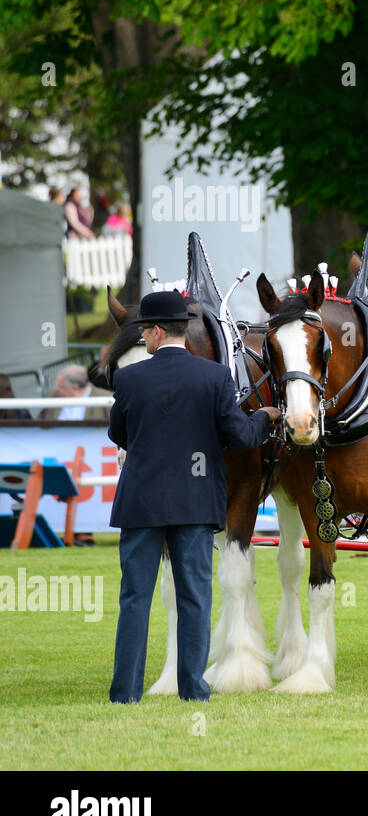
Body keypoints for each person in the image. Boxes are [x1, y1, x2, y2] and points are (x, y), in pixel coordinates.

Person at [107, 290, 281, 703]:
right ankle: (193, 690)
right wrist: (264, 417)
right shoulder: (215, 377)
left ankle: (125, 693)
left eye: (144, 332)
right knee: (195, 598)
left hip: (141, 503)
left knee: (135, 598)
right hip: (195, 502)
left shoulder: (129, 378)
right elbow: (238, 436)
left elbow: (118, 433)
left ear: (153, 331)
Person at [39, 365, 112, 422]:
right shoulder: (52, 395)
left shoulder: (107, 399)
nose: (56, 389)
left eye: (60, 386)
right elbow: (39, 422)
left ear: (75, 388)